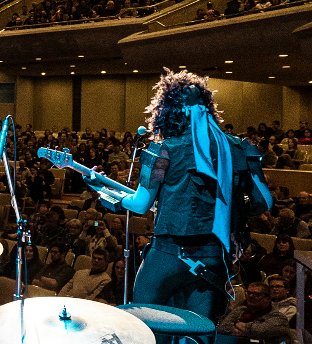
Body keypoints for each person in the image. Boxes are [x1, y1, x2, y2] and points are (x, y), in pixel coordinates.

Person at [115, 70, 272, 330]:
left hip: (167, 255)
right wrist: (230, 211)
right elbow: (264, 202)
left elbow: (141, 204)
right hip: (213, 257)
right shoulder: (238, 147)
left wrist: (118, 199)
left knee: (142, 328)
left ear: (167, 110)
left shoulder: (164, 148)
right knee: (199, 334)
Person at [214, 282, 291, 344]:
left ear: (268, 298)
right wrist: (249, 334)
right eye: (249, 293)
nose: (251, 296)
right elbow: (222, 328)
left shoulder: (279, 318)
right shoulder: (240, 310)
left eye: (256, 294)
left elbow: (259, 331)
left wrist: (237, 324)